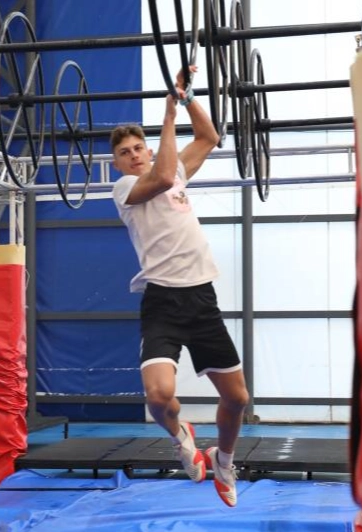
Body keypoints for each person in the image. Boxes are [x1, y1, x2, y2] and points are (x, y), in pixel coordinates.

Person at [110, 67, 249, 507]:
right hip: (162, 301)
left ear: (148, 149)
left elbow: (209, 136)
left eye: (138, 148)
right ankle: (180, 434)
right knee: (159, 395)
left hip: (201, 298)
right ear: (118, 163)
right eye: (125, 153)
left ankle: (223, 461)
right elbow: (164, 175)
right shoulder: (125, 188)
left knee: (237, 398)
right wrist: (169, 113)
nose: (133, 156)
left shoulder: (175, 172)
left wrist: (186, 98)